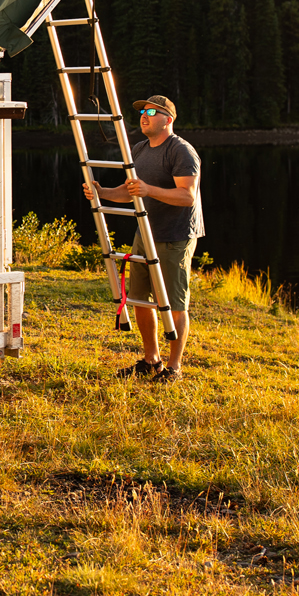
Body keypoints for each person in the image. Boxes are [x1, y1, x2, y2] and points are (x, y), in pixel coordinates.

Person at [80, 95, 203, 383]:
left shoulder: (181, 151)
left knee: (174, 304)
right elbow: (131, 190)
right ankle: (152, 360)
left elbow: (187, 196)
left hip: (175, 236)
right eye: (141, 112)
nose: (144, 116)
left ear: (167, 119)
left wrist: (149, 190)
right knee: (139, 299)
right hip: (145, 233)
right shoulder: (140, 149)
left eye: (151, 111)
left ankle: (174, 368)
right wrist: (104, 192)